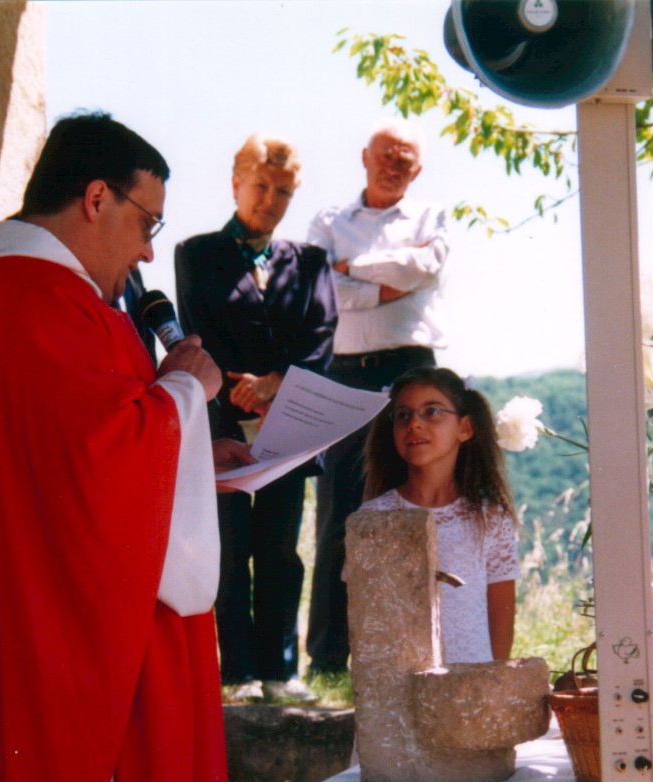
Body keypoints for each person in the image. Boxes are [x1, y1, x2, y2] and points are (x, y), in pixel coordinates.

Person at [0, 111, 252, 782]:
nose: (147, 254)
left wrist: (193, 460)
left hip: (1, 619)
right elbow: (101, 459)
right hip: (60, 654)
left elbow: (59, 468)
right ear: (95, 198)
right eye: (147, 224)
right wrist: (186, 387)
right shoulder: (55, 304)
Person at [176, 133, 337, 702]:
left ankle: (280, 671)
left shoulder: (311, 263)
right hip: (223, 425)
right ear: (236, 184)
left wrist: (278, 384)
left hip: (288, 428)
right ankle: (237, 673)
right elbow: (198, 330)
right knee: (229, 546)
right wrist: (246, 388)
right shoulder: (196, 254)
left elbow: (321, 338)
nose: (270, 200)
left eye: (283, 192)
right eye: (261, 186)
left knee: (280, 552)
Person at [305, 118, 449, 674]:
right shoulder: (330, 220)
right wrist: (387, 284)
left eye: (404, 158)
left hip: (412, 370)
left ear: (418, 169)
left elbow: (425, 267)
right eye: (385, 154)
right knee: (339, 512)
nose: (393, 165)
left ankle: (411, 655)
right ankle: (327, 658)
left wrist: (353, 270)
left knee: (416, 506)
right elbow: (320, 287)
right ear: (365, 157)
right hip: (343, 372)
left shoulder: (430, 217)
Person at [359, 367, 520, 663]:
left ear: (465, 428)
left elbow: (501, 618)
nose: (414, 423)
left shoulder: (490, 519)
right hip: (401, 680)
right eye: (403, 415)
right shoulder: (374, 517)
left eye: (431, 411)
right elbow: (365, 616)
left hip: (473, 679)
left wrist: (493, 680)